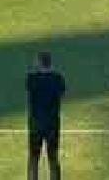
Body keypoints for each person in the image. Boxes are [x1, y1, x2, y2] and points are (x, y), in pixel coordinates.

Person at [26, 51, 66, 180]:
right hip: (52, 124)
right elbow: (62, 91)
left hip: (35, 124)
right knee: (53, 157)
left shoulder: (31, 78)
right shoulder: (57, 78)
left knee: (33, 158)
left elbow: (29, 88)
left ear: (39, 62)